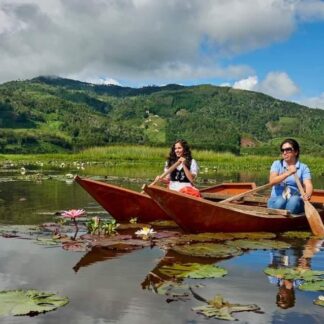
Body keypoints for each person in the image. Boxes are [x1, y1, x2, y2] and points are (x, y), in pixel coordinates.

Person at [267, 138, 313, 214]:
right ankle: (280, 214)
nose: (284, 153)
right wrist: (288, 172)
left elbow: (308, 184)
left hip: (295, 201)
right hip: (276, 200)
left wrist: (307, 194)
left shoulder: (303, 167)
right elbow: (272, 181)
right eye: (283, 150)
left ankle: (287, 216)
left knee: (294, 200)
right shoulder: (277, 164)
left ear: (296, 152)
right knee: (281, 201)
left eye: (288, 150)